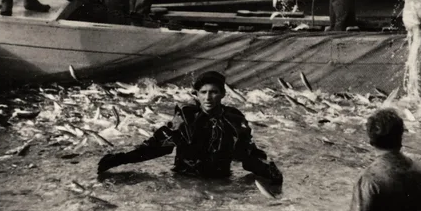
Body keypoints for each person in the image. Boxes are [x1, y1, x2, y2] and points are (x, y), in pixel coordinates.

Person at [97, 71, 283, 184]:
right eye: (203, 93)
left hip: (220, 181)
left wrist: (268, 172)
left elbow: (246, 155)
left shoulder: (233, 120)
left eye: (214, 92)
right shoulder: (186, 118)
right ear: (197, 95)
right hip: (184, 179)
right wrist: (119, 160)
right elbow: (156, 147)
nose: (208, 97)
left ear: (223, 95)